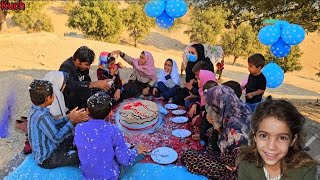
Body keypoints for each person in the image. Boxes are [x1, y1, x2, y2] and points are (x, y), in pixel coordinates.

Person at [238, 96, 318, 180]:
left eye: (282, 138)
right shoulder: (247, 164)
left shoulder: (305, 170)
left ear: (293, 140)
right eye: (264, 136)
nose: (271, 147)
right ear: (255, 136)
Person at [181, 85, 252, 179]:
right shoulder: (242, 108)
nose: (209, 108)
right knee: (210, 132)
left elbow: (230, 163)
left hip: (236, 170)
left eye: (211, 105)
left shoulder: (233, 127)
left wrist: (217, 128)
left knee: (189, 156)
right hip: (234, 157)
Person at [74, 91, 147, 179]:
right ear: (110, 113)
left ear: (87, 110)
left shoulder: (79, 127)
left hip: (88, 175)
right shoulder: (113, 130)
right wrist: (136, 151)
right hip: (109, 176)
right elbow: (124, 159)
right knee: (138, 155)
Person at [27, 80, 88, 169]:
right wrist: (72, 121)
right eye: (53, 95)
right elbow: (57, 138)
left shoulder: (36, 111)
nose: (54, 96)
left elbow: (54, 125)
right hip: (48, 158)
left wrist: (68, 117)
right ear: (48, 98)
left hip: (53, 147)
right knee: (78, 157)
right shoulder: (42, 117)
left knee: (75, 138)